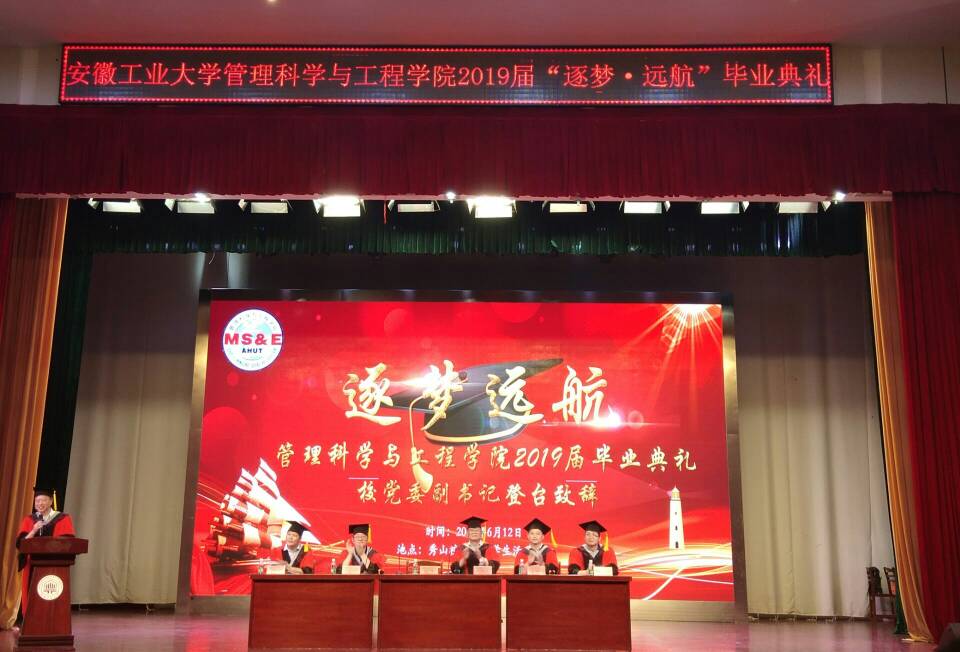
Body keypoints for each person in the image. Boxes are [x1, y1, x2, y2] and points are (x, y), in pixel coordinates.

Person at [16, 487, 76, 617]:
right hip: (32, 564)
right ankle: (31, 620)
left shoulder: (62, 518)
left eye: (43, 500)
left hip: (55, 565)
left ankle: (53, 619)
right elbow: (21, 545)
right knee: (31, 592)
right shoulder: (29, 520)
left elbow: (67, 543)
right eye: (37, 501)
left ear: (50, 501)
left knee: (52, 593)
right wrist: (34, 530)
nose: (40, 504)